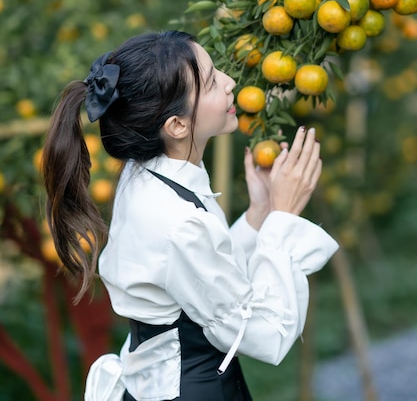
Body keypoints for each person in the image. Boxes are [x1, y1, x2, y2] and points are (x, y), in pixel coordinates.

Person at [42, 30, 338, 401]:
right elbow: (267, 334)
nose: (230, 84)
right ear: (177, 126)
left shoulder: (145, 174)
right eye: (213, 82)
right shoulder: (175, 219)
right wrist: (283, 217)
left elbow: (204, 275)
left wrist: (260, 212)